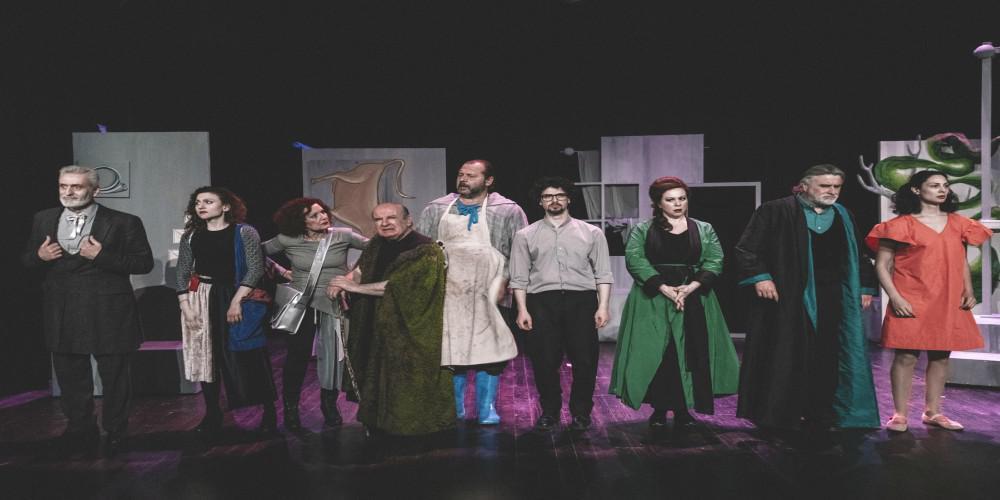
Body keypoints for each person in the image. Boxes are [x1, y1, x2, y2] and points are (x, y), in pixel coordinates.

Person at [735, 164, 880, 432]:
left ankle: (821, 411)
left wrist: (864, 287)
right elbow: (747, 249)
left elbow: (858, 254)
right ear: (804, 186)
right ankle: (783, 413)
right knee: (788, 353)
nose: (832, 191)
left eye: (836, 187)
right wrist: (761, 277)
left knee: (827, 354)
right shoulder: (775, 210)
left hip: (832, 295)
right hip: (787, 295)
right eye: (825, 186)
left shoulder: (843, 214)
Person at [22, 165, 153, 454]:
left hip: (108, 309)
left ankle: (116, 431)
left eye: (76, 186)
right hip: (62, 308)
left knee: (114, 376)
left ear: (95, 190)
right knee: (70, 376)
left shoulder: (123, 221)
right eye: (63, 186)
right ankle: (80, 430)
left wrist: (102, 256)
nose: (68, 192)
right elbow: (27, 260)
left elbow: (143, 263)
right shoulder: (43, 218)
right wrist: (39, 256)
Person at [609, 177, 740, 429]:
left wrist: (691, 287)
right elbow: (635, 259)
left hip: (694, 296)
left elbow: (715, 260)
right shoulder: (643, 230)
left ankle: (683, 409)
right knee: (660, 352)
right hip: (653, 298)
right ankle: (659, 409)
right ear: (658, 203)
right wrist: (664, 288)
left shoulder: (703, 228)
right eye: (670, 200)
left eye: (682, 198)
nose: (678, 204)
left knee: (690, 350)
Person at [867, 170, 991, 432]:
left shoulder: (959, 223)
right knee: (906, 356)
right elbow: (881, 265)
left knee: (941, 356)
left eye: (945, 185)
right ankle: (899, 414)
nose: (942, 190)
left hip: (947, 297)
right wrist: (895, 297)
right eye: (934, 185)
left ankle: (933, 412)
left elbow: (961, 260)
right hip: (911, 297)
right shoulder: (900, 225)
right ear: (916, 189)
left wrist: (968, 289)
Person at [416, 159, 527, 425]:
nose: (463, 179)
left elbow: (520, 251)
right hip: (449, 290)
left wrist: (506, 282)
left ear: (488, 181)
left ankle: (486, 407)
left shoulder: (507, 210)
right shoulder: (437, 208)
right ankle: (455, 407)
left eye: (471, 175)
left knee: (491, 351)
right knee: (452, 351)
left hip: (490, 289)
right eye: (461, 174)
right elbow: (422, 249)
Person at [330, 203, 453, 436]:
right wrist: (344, 283)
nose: (385, 224)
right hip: (373, 323)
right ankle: (377, 424)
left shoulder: (425, 250)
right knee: (374, 375)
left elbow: (399, 287)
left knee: (403, 379)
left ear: (408, 220)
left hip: (406, 328)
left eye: (391, 218)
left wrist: (355, 288)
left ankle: (410, 430)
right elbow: (360, 270)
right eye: (378, 219)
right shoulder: (377, 244)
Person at [510, 177, 613, 431]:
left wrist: (603, 306)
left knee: (585, 361)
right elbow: (519, 277)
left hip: (581, 301)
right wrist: (522, 309)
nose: (554, 200)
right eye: (548, 196)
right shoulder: (525, 235)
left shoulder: (591, 233)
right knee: (544, 361)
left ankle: (581, 413)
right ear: (540, 202)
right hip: (542, 302)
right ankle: (550, 412)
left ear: (568, 199)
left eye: (559, 195)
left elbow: (603, 273)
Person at [175, 187, 278, 437]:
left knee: (249, 353)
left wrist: (236, 302)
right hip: (202, 297)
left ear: (225, 206)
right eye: (197, 202)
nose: (201, 206)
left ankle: (268, 412)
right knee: (207, 356)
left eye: (208, 201)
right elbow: (184, 271)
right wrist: (185, 304)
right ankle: (212, 414)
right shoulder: (191, 235)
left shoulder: (244, 232)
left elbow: (255, 269)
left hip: (237, 294)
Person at [263, 198, 369, 431]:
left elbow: (376, 248)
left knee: (333, 356)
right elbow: (255, 252)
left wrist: (352, 276)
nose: (323, 217)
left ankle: (329, 404)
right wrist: (282, 271)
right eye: (314, 215)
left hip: (333, 301)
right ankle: (291, 408)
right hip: (301, 304)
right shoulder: (287, 239)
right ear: (299, 221)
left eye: (323, 212)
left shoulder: (343, 235)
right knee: (297, 356)